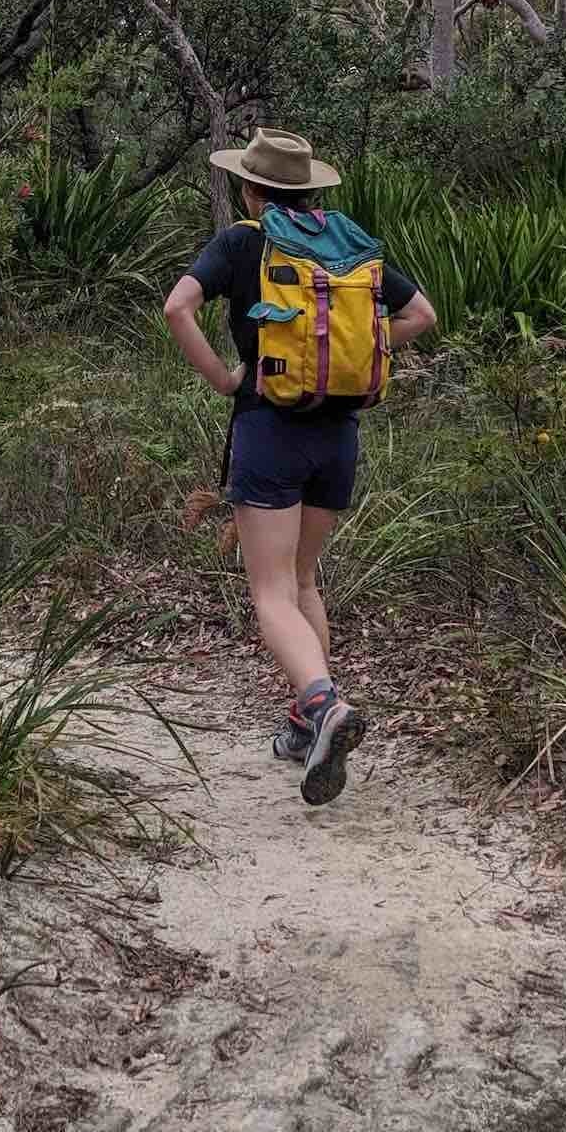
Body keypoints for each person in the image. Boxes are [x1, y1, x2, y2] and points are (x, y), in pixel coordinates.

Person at [163, 128, 436, 806]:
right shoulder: (349, 245)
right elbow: (420, 313)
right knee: (306, 580)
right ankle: (302, 725)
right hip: (338, 435)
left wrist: (228, 381)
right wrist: (364, 350)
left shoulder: (242, 243)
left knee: (270, 593)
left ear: (252, 190)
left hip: (270, 430)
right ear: (311, 188)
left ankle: (323, 706)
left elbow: (178, 307)